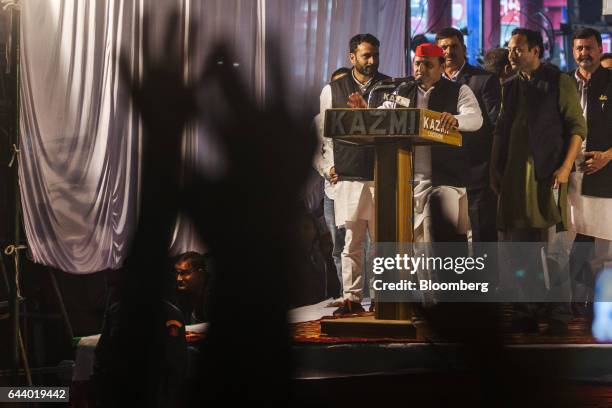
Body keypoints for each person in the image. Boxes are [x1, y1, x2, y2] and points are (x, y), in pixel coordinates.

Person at [490, 28, 586, 335]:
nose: (512, 53)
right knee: (520, 250)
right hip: (515, 179)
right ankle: (525, 309)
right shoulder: (509, 85)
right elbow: (501, 130)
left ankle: (558, 312)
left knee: (554, 248)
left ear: (536, 51)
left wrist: (565, 167)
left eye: (518, 48)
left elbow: (576, 128)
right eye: (510, 48)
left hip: (549, 176)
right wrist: (496, 169)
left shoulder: (560, 81)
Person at [318, 33, 390, 315]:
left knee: (382, 242)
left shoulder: (390, 86)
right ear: (352, 58)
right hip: (348, 174)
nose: (371, 61)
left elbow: (392, 126)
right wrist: (329, 167)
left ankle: (383, 296)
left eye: (375, 55)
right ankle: (351, 297)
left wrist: (367, 113)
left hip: (383, 173)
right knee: (351, 242)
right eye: (365, 56)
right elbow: (326, 135)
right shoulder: (332, 89)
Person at [436, 27, 500, 244]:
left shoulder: (484, 80)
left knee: (482, 235)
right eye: (443, 47)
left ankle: (487, 279)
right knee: (449, 238)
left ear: (463, 48)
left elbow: (493, 126)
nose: (448, 51)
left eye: (453, 46)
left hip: (476, 171)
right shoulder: (430, 84)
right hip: (443, 173)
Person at [567, 28, 612, 316]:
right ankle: (570, 301)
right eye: (579, 48)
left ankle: (601, 305)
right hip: (567, 175)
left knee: (603, 248)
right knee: (567, 245)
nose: (584, 53)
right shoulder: (562, 85)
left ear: (599, 49)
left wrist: (608, 156)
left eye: (589, 48)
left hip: (604, 173)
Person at [175, 251, 211, 323]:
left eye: (184, 273)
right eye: (178, 273)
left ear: (200, 274)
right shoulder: (183, 295)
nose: (178, 279)